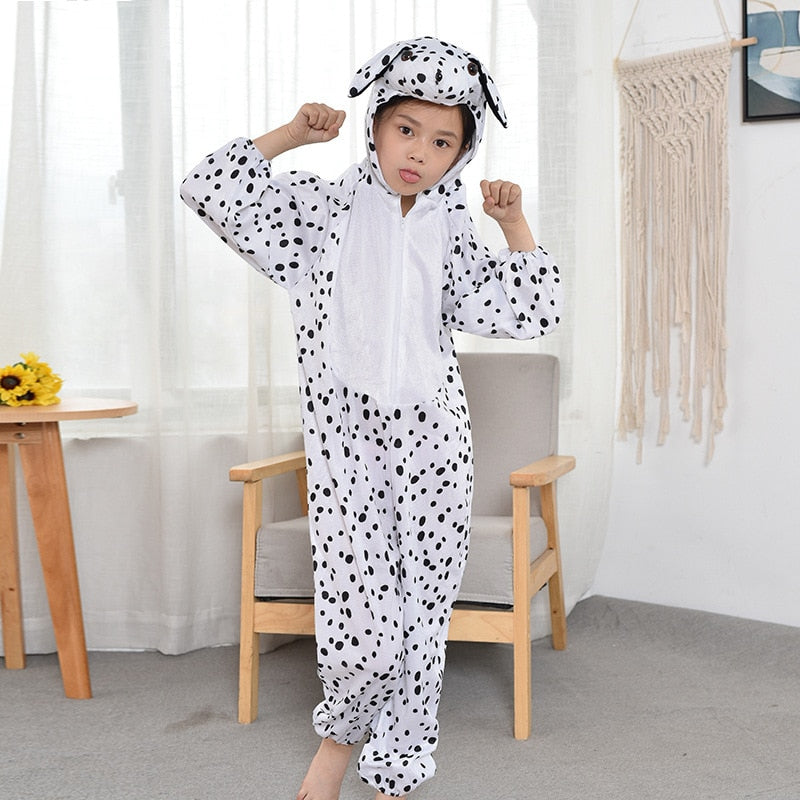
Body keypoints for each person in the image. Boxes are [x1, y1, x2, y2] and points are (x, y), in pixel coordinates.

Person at [181, 35, 563, 800]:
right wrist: (291, 136)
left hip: (436, 450)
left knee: (422, 624)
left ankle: (394, 772)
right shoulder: (320, 212)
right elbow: (208, 188)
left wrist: (513, 225)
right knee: (364, 626)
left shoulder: (453, 229)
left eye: (443, 140)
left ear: (463, 152)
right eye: (406, 129)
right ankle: (339, 739)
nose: (419, 152)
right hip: (345, 450)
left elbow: (532, 312)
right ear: (377, 124)